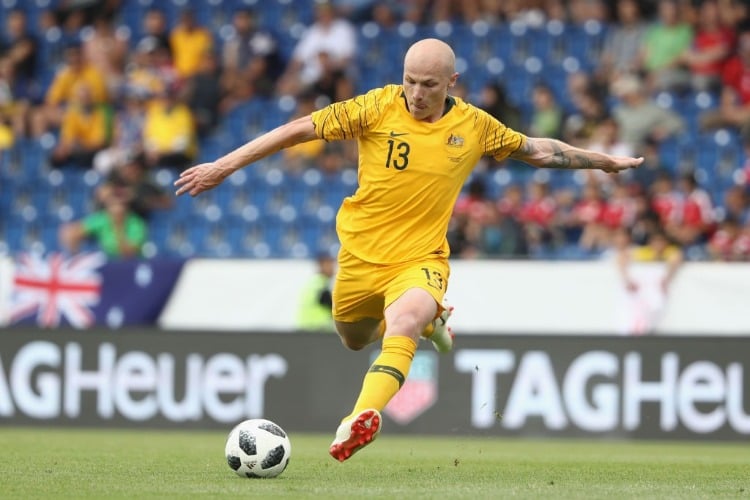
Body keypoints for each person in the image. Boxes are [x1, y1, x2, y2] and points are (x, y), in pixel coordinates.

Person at [174, 38, 643, 462]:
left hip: (420, 259)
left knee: (404, 320)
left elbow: (540, 151)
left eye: (429, 85)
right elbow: (298, 129)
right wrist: (223, 165)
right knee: (355, 339)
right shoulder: (375, 107)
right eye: (410, 82)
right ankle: (433, 321)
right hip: (359, 257)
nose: (417, 94)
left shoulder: (474, 125)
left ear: (451, 82)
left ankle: (357, 419)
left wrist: (601, 162)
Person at [296, 253, 337, 332]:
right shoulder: (319, 283)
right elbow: (330, 304)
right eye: (329, 265)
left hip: (307, 328)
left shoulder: (314, 282)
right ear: (321, 265)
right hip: (316, 328)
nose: (333, 268)